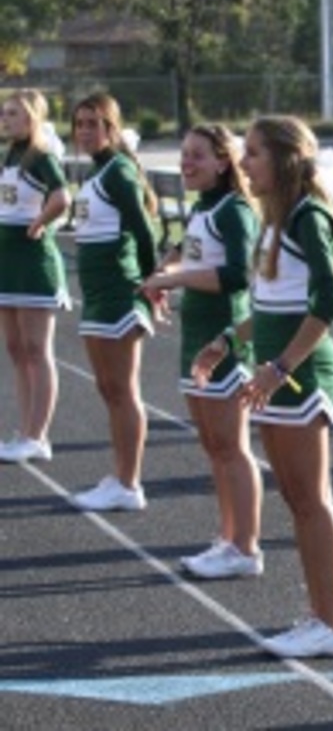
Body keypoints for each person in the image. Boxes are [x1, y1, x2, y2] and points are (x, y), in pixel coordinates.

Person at [193, 115, 333, 657]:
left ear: (286, 158)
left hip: (301, 373)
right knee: (297, 499)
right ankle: (319, 615)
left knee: (311, 500)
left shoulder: (310, 216)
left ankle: (332, 622)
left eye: (255, 153)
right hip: (276, 366)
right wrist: (227, 339)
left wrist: (280, 366)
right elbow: (267, 305)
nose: (244, 163)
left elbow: (329, 303)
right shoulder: (276, 218)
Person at [140, 125, 264, 578]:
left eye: (197, 155)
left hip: (224, 340)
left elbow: (233, 275)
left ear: (222, 161)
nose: (186, 163)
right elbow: (186, 251)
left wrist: (170, 279)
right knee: (214, 447)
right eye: (183, 154)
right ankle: (227, 536)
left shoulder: (234, 211)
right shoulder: (204, 207)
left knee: (232, 447)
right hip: (196, 337)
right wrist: (162, 271)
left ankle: (245, 547)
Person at [68, 93, 158, 512]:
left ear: (111, 128)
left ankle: (129, 482)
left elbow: (143, 233)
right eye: (80, 123)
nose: (85, 131)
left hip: (120, 293)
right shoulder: (97, 171)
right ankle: (120, 475)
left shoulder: (119, 172)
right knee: (109, 390)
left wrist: (151, 285)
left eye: (93, 123)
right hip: (97, 296)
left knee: (122, 391)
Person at [0, 90, 71, 464]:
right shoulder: (9, 154)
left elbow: (62, 198)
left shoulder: (41, 156)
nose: (5, 119)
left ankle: (38, 436)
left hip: (32, 264)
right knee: (15, 350)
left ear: (31, 118)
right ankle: (25, 430)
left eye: (12, 114)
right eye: (3, 113)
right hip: (6, 264)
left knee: (36, 350)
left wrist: (40, 223)